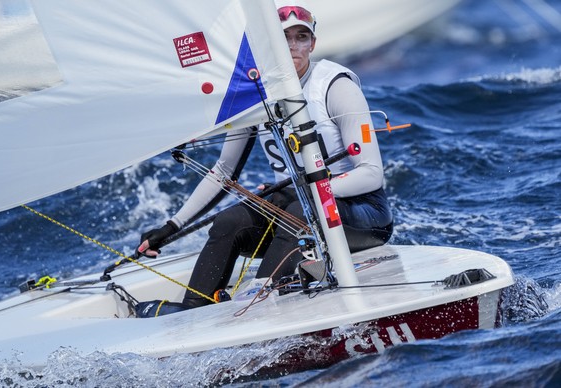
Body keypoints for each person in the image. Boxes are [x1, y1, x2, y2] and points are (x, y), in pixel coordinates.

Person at [136, 0, 393, 311]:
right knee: (230, 221)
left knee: (301, 208)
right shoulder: (255, 93)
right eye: (284, 37)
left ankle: (257, 303)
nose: (294, 46)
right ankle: (191, 311)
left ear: (313, 43)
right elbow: (224, 170)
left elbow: (371, 173)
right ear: (268, 44)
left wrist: (307, 189)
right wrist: (171, 227)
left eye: (302, 37)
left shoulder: (334, 85)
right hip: (296, 211)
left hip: (363, 213)